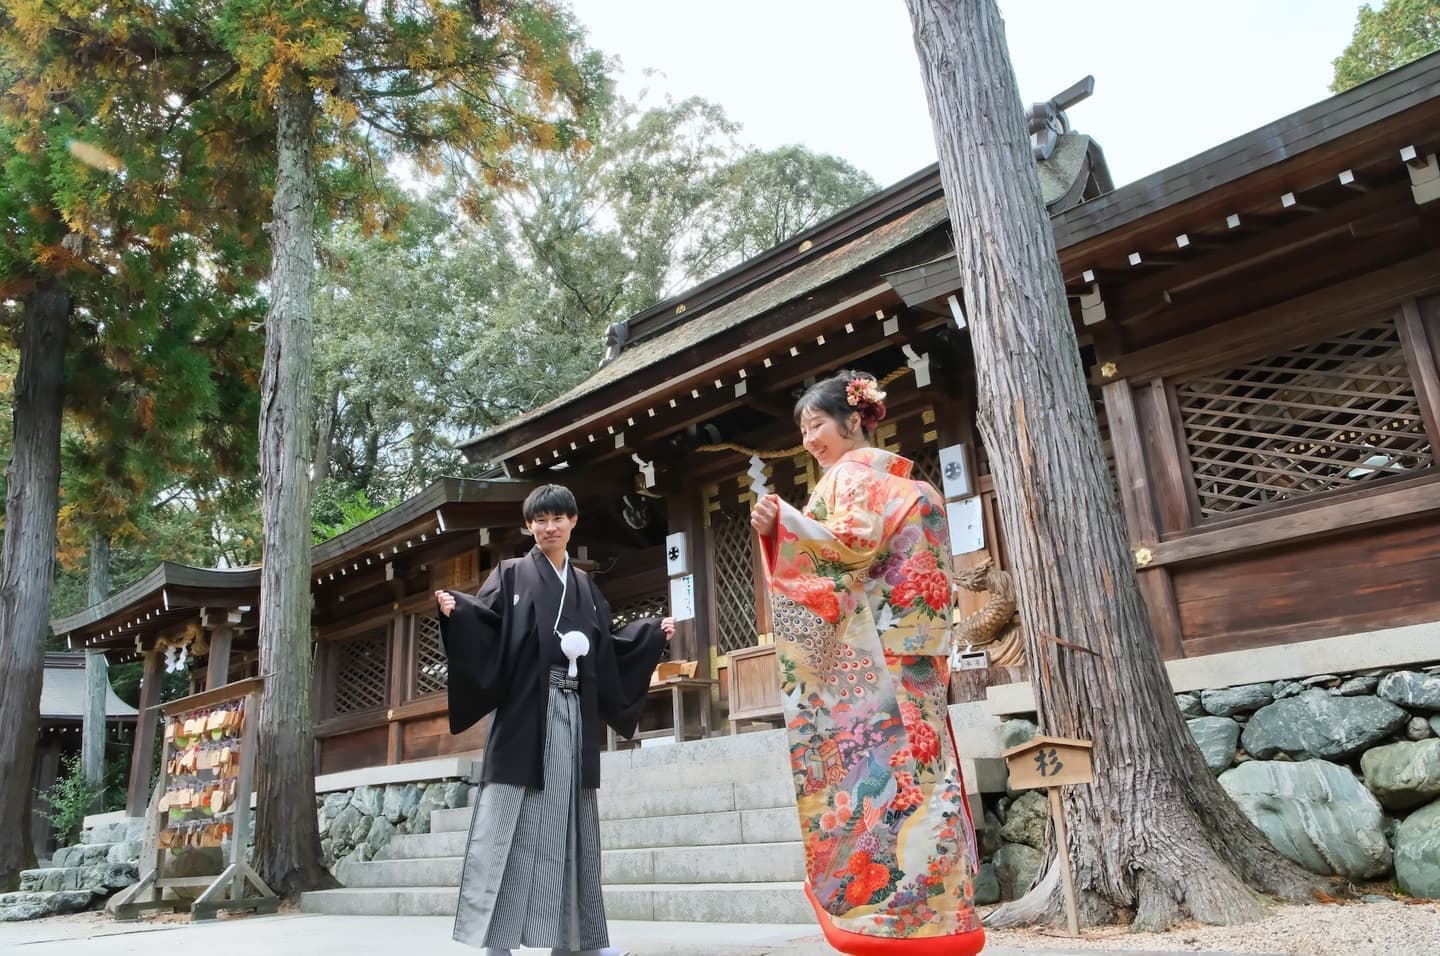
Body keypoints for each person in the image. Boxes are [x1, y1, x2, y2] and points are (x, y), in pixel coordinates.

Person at [750, 371, 984, 956]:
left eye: (816, 425)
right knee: (930, 775)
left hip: (877, 659)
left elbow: (840, 552)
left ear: (854, 420)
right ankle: (951, 917)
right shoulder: (918, 488)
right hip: (922, 659)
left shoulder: (849, 478)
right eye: (802, 430)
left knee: (877, 778)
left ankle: (883, 921)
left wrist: (781, 524)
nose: (809, 440)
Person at [435, 484, 674, 956]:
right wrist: (456, 612)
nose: (549, 527)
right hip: (528, 711)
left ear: (573, 521)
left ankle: (580, 941)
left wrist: (649, 635)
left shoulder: (584, 585)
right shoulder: (511, 574)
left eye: (558, 518)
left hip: (574, 713)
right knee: (508, 821)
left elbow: (606, 645)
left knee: (572, 822)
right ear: (528, 526)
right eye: (540, 520)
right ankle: (495, 943)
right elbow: (485, 624)